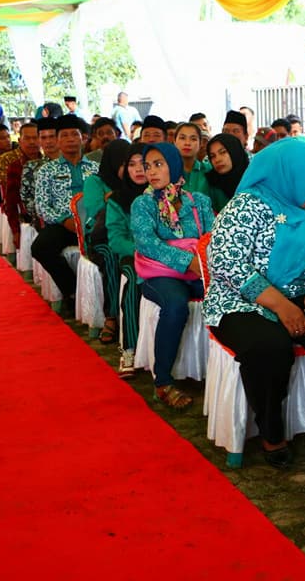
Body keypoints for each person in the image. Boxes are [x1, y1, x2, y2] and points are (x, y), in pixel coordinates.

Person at [204, 137, 305, 468]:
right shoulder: (245, 207)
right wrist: (281, 306)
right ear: (291, 176)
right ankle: (271, 430)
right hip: (241, 300)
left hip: (301, 292)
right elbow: (226, 263)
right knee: (268, 346)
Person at [131, 143, 214, 408]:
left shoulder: (198, 201)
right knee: (176, 305)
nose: (151, 172)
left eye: (159, 164)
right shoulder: (143, 203)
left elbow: (211, 236)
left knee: (227, 296)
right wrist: (187, 261)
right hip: (159, 273)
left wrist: (202, 262)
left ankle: (220, 369)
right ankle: (163, 382)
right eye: (148, 166)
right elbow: (147, 244)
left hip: (197, 269)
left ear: (174, 165)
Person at [31, 115, 99, 308]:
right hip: (63, 225)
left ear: (83, 138)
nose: (70, 139)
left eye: (74, 135)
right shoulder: (46, 170)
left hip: (94, 223)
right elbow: (42, 205)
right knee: (40, 248)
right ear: (58, 141)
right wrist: (64, 220)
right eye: (65, 135)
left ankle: (104, 298)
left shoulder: (96, 168)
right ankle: (72, 291)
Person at [82, 139, 131, 344]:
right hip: (101, 237)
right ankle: (111, 316)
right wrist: (115, 198)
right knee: (111, 257)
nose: (127, 169)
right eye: (122, 164)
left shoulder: (135, 182)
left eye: (129, 163)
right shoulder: (95, 181)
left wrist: (114, 197)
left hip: (127, 235)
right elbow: (95, 211)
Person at [106, 142, 148, 376]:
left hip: (166, 256)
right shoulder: (117, 199)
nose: (138, 169)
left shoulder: (166, 195)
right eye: (132, 164)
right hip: (134, 256)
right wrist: (143, 250)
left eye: (144, 164)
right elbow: (116, 239)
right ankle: (129, 349)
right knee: (133, 279)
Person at [0, 122, 40, 247]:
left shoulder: (46, 159)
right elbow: (3, 186)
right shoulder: (8, 159)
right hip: (18, 204)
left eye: (35, 138)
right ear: (19, 140)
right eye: (27, 138)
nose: (32, 142)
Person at [204, 133, 250, 213]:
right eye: (212, 156)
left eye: (223, 152)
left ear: (234, 151)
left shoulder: (252, 180)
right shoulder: (211, 183)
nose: (217, 160)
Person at [173, 122, 209, 195]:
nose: (187, 143)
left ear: (200, 143)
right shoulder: (167, 171)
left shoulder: (209, 171)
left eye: (193, 139)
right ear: (174, 142)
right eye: (182, 138)